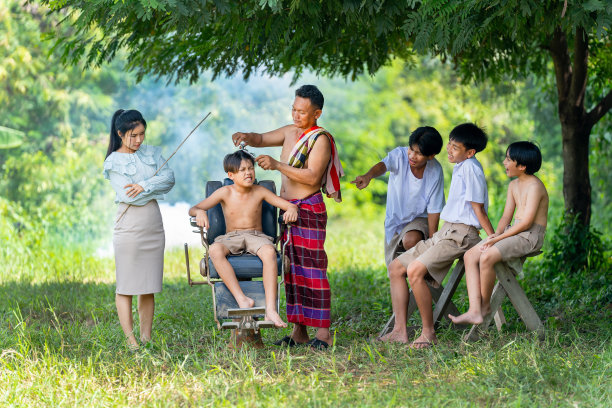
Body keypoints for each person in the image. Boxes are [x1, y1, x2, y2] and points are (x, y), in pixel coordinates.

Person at [232, 84, 344, 350]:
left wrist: (278, 165)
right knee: (291, 270)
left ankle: (324, 333)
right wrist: (245, 135)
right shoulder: (290, 132)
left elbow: (313, 176)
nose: (296, 116)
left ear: (317, 113)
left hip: (308, 207)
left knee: (313, 270)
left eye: (302, 112)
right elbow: (259, 138)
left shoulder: (320, 139)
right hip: (287, 208)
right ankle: (299, 333)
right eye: (294, 110)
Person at [379, 123, 494, 348]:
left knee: (414, 271)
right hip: (447, 232)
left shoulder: (470, 168)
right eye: (449, 145)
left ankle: (428, 333)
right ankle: (399, 331)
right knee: (396, 268)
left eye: (455, 147)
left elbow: (477, 208)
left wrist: (492, 237)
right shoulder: (462, 166)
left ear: (470, 152)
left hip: (461, 234)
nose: (449, 150)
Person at [188, 150, 298, 328]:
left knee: (270, 252)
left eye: (250, 168)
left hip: (257, 236)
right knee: (215, 250)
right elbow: (194, 208)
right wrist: (200, 212)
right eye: (242, 170)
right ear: (231, 175)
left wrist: (292, 209)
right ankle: (242, 299)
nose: (248, 173)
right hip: (232, 236)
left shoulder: (260, 191)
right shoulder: (224, 192)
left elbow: (288, 205)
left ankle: (270, 309)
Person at [449, 141, 548, 325]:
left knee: (487, 256)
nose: (504, 162)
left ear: (522, 165)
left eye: (508, 159)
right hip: (513, 233)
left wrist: (499, 239)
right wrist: (495, 234)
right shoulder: (513, 186)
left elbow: (526, 222)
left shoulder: (535, 186)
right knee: (470, 255)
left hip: (529, 236)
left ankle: (485, 307)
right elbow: (505, 217)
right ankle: (474, 309)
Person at [103, 109, 175, 349]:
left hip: (153, 223)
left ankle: (146, 337)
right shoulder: (113, 161)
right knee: (126, 284)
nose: (139, 140)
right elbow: (127, 194)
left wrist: (144, 185)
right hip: (129, 224)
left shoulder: (152, 152)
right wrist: (151, 187)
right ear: (120, 133)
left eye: (142, 134)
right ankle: (131, 340)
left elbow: (169, 179)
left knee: (148, 283)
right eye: (133, 136)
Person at [351, 126, 445, 267]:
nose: (412, 156)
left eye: (418, 153)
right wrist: (368, 176)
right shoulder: (399, 156)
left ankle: (421, 275)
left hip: (420, 218)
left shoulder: (435, 171)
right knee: (394, 267)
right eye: (411, 149)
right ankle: (415, 280)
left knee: (410, 240)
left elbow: (434, 210)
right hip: (395, 219)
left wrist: (432, 242)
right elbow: (383, 165)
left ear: (431, 155)